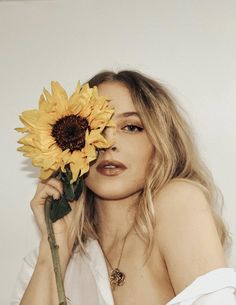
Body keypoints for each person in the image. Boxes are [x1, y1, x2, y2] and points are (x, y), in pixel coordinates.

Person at [11, 70, 236, 305]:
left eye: (131, 127)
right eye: (93, 128)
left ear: (162, 143)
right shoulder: (44, 258)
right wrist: (52, 250)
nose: (108, 143)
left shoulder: (178, 202)